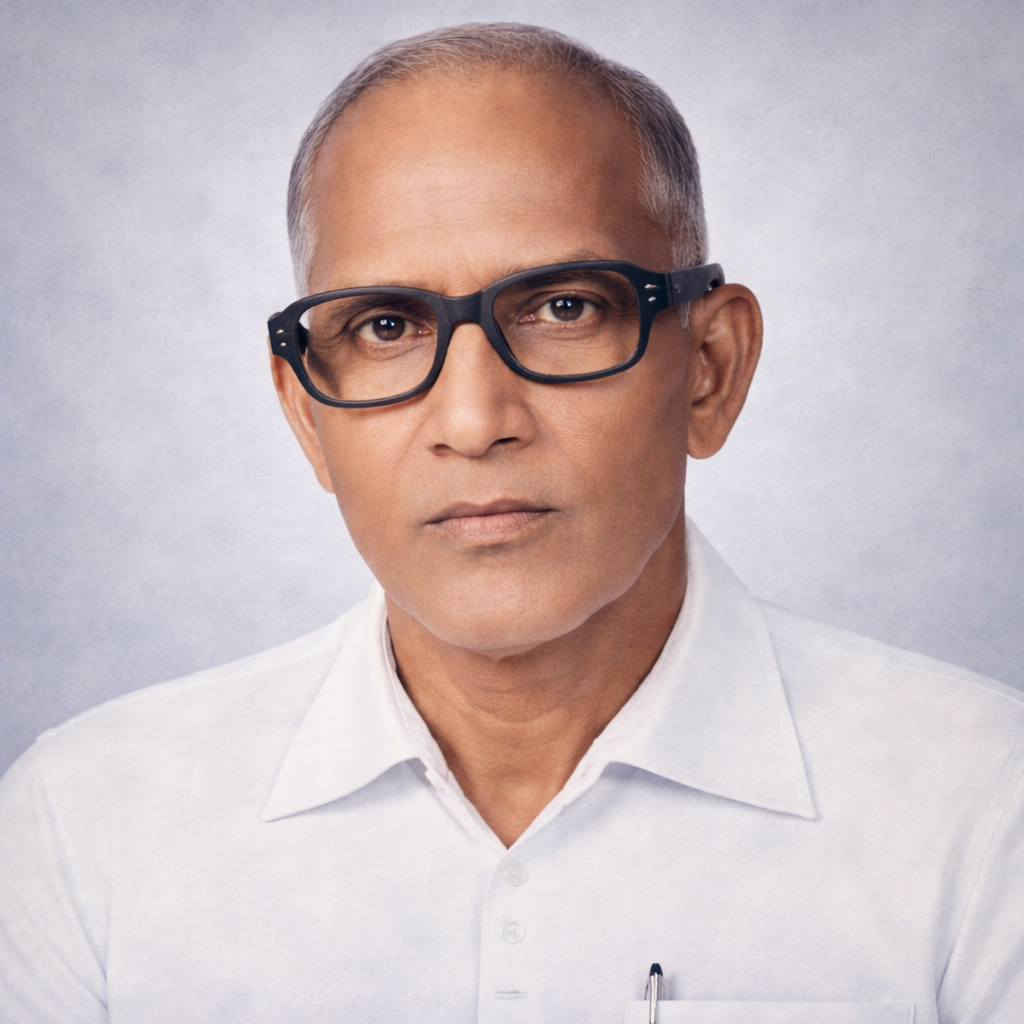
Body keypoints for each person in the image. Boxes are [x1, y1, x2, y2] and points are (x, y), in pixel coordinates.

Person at [0, 22, 1020, 1024]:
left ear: (709, 369)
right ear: (308, 415)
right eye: (387, 327)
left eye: (564, 307)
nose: (474, 420)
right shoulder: (90, 828)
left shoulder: (981, 806)